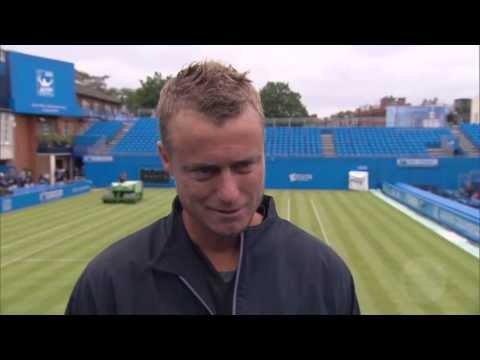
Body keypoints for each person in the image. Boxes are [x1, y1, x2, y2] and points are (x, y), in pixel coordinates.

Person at [66, 61, 360, 315]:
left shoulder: (324, 276)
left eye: (244, 166)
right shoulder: (108, 284)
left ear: (263, 151)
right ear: (165, 158)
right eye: (205, 171)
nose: (229, 193)